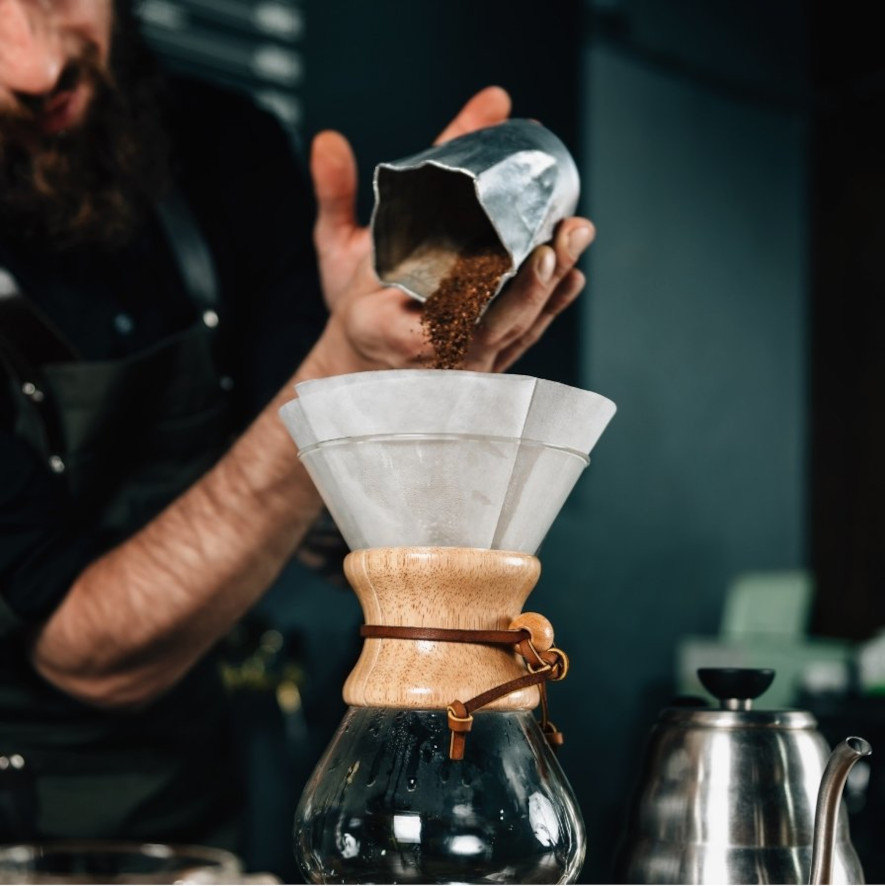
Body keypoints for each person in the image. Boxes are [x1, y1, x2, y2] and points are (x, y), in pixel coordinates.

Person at [0, 0, 595, 852]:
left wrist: (408, 399)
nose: (36, 64)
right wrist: (339, 375)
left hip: (193, 824)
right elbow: (90, 656)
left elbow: (321, 536)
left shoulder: (217, 148)